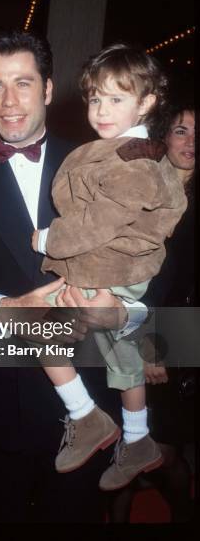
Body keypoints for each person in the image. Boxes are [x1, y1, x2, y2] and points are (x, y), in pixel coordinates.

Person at [0, 31, 149, 522]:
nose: (9, 101)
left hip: (90, 396)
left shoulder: (102, 162)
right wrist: (1, 308)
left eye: (23, 83)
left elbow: (150, 253)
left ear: (47, 89)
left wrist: (126, 313)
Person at [31, 44, 187, 490]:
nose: (100, 109)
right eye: (95, 98)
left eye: (116, 99)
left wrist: (48, 239)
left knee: (40, 332)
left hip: (111, 272)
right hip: (117, 272)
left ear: (146, 102)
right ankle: (137, 440)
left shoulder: (131, 157)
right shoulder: (130, 149)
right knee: (125, 360)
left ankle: (87, 416)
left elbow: (100, 223)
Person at [108, 102, 196, 522]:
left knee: (161, 448)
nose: (191, 141)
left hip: (182, 336)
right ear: (165, 137)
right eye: (181, 131)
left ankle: (183, 513)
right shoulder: (144, 190)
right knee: (122, 446)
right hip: (129, 327)